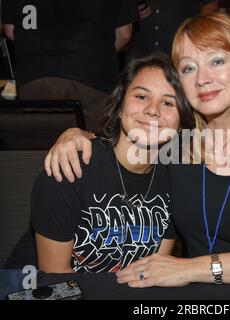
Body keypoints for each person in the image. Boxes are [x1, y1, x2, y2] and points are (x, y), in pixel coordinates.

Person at [45, 14, 230, 285]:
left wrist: (192, 268)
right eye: (188, 68)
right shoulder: (177, 148)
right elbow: (130, 140)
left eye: (216, 61)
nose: (202, 78)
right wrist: (79, 135)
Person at [30, 53, 194, 273]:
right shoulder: (70, 169)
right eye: (141, 97)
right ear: (119, 106)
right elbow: (57, 278)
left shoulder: (177, 181)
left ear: (181, 123)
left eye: (167, 102)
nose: (153, 110)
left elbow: (152, 273)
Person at [1, 0, 138, 135]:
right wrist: (97, 56)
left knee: (40, 146)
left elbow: (10, 30)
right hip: (89, 74)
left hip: (34, 72)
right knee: (94, 147)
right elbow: (124, 34)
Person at [130, 0, 219, 58]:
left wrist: (197, 27)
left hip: (180, 52)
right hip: (140, 52)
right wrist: (131, 13)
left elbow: (212, 3)